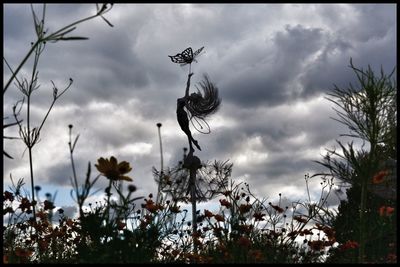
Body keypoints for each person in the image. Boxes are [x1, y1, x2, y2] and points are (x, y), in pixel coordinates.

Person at [176, 72, 221, 153]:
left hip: (181, 115)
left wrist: (193, 113)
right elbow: (188, 85)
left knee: (186, 131)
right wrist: (189, 77)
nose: (193, 93)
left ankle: (192, 145)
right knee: (186, 131)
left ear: (194, 98)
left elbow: (189, 109)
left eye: (195, 94)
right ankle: (193, 144)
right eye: (194, 93)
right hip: (180, 114)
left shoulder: (186, 100)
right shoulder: (186, 96)